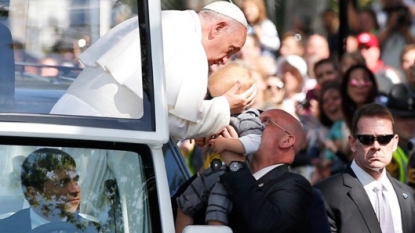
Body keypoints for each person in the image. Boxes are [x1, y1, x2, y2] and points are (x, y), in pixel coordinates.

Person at [50, 1, 256, 140]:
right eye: (230, 49)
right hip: (92, 135)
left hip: (71, 120)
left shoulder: (166, 20)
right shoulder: (189, 44)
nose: (225, 60)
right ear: (218, 28)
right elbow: (175, 123)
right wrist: (225, 105)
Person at [175, 62, 263, 233]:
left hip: (226, 178)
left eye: (219, 98)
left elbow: (254, 142)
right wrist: (201, 137)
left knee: (216, 212)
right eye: (212, 99)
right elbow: (198, 130)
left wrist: (226, 143)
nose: (214, 103)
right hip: (208, 173)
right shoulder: (219, 116)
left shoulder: (248, 119)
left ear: (239, 96)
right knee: (184, 203)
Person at [315, 103, 415, 233]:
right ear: (353, 143)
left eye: (384, 139)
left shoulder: (409, 197)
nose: (376, 146)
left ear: (395, 142)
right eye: (366, 139)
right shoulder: (325, 194)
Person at [218, 109, 316, 233]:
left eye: (266, 121)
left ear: (286, 141)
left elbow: (268, 225)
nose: (253, 124)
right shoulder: (230, 173)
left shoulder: (295, 185)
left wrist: (236, 166)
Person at [0, 148, 101, 233]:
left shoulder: (94, 230)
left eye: (75, 180)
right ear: (33, 193)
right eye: (61, 183)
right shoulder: (4, 229)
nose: (75, 189)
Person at [385, 83, 415, 183]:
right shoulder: (386, 155)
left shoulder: (408, 148)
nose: (410, 122)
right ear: (389, 118)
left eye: (413, 117)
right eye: (403, 117)